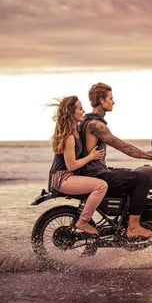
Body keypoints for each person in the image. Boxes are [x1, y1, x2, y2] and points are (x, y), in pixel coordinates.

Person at [79, 83, 152, 239]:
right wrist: (151, 157)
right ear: (101, 100)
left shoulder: (87, 122)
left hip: (94, 171)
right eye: (111, 98)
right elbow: (123, 146)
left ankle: (124, 221)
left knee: (131, 174)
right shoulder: (96, 125)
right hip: (95, 174)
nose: (113, 102)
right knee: (142, 179)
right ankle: (133, 227)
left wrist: (146, 153)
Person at [48, 95, 108, 236]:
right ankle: (83, 221)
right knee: (101, 186)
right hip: (63, 178)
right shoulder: (69, 137)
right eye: (80, 109)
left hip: (68, 177)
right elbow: (72, 165)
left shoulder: (77, 129)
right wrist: (91, 156)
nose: (83, 111)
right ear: (71, 112)